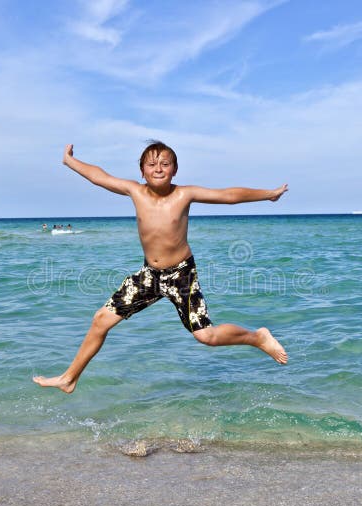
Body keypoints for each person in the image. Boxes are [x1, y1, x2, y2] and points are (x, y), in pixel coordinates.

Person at [33, 141, 289, 394]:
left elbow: (229, 196)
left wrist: (269, 194)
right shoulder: (135, 191)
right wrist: (69, 161)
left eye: (165, 164)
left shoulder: (184, 194)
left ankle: (258, 338)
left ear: (175, 169)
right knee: (100, 320)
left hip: (181, 275)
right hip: (149, 276)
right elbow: (99, 177)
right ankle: (69, 379)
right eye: (151, 164)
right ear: (142, 171)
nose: (158, 168)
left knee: (206, 337)